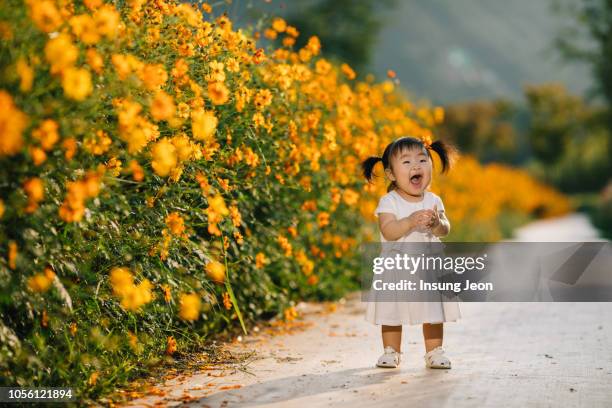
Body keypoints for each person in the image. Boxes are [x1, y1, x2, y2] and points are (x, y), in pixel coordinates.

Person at [361, 136, 461, 369]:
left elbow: (445, 229)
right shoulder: (390, 201)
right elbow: (388, 230)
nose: (416, 166)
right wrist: (407, 221)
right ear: (391, 174)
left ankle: (434, 351)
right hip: (397, 267)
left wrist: (437, 223)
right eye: (406, 162)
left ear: (431, 167)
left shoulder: (434, 199)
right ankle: (391, 351)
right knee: (392, 312)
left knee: (433, 311)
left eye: (422, 160)